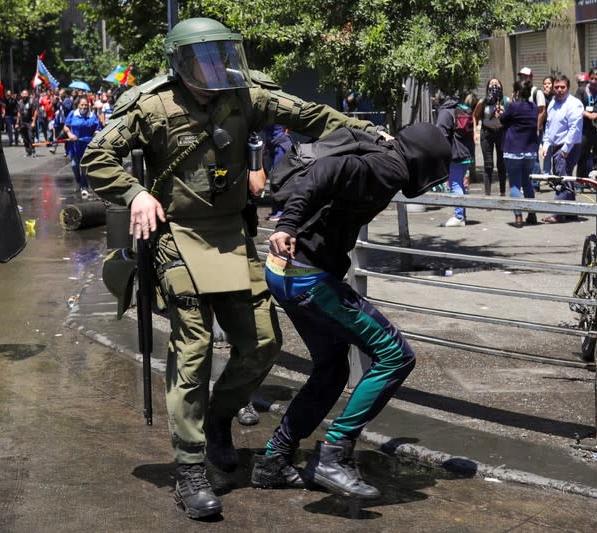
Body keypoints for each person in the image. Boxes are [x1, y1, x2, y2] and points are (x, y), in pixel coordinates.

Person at [82, 17, 388, 520]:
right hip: (176, 233)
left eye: (220, 55)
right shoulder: (151, 104)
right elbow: (98, 155)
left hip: (232, 235)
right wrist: (135, 193)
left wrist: (367, 133)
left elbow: (310, 115)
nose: (214, 66)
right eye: (203, 58)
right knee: (194, 348)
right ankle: (190, 469)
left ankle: (221, 418)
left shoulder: (245, 94)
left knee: (263, 342)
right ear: (181, 64)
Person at [250, 123, 450, 497]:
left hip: (285, 271)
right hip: (308, 276)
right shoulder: (390, 168)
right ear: (425, 161)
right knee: (395, 355)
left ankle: (274, 461)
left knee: (332, 368)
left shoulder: (382, 155)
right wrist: (289, 224)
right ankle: (333, 456)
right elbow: (326, 171)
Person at [540, 74, 583, 224]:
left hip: (569, 146)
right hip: (556, 145)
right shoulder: (552, 103)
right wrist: (546, 144)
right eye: (556, 87)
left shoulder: (574, 104)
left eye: (562, 87)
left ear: (568, 87)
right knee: (566, 176)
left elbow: (574, 129)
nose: (559, 90)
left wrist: (565, 149)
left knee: (561, 179)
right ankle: (571, 212)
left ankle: (557, 214)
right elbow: (549, 126)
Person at [499, 79, 539, 227]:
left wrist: (501, 113)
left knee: (515, 184)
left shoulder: (512, 106)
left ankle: (518, 217)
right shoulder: (534, 108)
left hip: (513, 150)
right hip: (529, 151)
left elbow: (503, 120)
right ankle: (532, 213)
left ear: (516, 92)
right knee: (527, 182)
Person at [436, 91, 476, 227]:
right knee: (459, 182)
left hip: (456, 153)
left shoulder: (445, 112)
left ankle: (459, 216)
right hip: (466, 152)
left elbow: (440, 134)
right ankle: (462, 215)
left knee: (455, 183)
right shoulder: (462, 108)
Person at [473, 78, 507, 195]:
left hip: (501, 133)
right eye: (491, 84)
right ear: (487, 87)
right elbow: (475, 116)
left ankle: (502, 192)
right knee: (488, 164)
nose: (494, 85)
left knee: (501, 163)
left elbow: (512, 118)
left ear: (501, 86)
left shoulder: (506, 101)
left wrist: (504, 114)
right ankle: (488, 194)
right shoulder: (483, 102)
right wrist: (475, 132)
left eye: (496, 83)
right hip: (487, 133)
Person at [64, 95, 100, 198]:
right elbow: (66, 127)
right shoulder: (73, 114)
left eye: (86, 105)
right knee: (74, 165)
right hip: (75, 145)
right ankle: (78, 181)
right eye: (82, 105)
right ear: (78, 105)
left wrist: (96, 133)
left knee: (84, 166)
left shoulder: (92, 115)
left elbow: (97, 128)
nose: (84, 107)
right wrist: (70, 135)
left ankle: (84, 186)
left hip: (87, 145)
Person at [576, 68, 597, 179]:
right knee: (583, 156)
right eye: (592, 78)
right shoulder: (581, 91)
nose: (594, 81)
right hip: (585, 129)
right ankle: (580, 181)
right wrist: (589, 115)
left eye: (596, 79)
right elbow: (577, 108)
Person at [17, 89, 36, 157]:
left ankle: (33, 151)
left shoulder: (31, 101)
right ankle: (28, 151)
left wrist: (33, 122)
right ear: (22, 95)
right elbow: (19, 113)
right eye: (23, 95)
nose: (24, 96)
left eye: (26, 95)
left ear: (28, 95)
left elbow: (35, 111)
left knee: (31, 137)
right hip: (22, 122)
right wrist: (17, 123)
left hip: (29, 122)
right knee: (24, 137)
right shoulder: (20, 102)